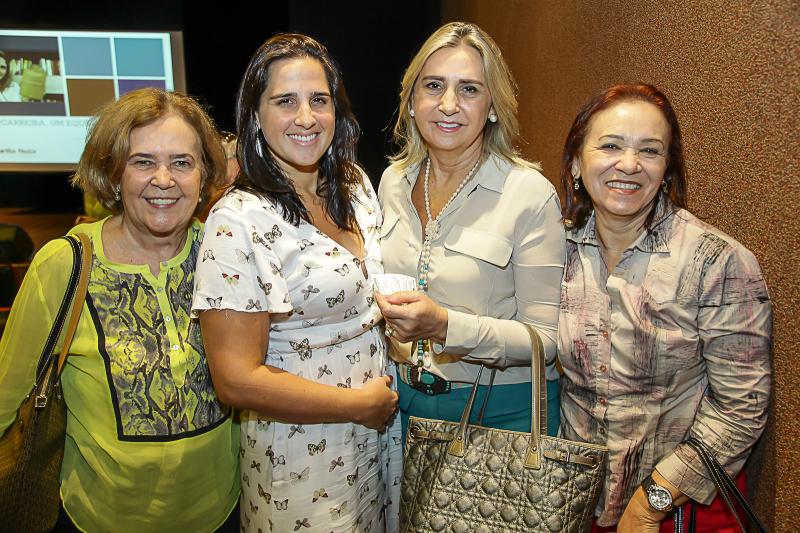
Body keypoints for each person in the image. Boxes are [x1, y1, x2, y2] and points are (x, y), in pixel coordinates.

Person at [0, 87, 239, 531]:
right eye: (143, 162)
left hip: (222, 515)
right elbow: (5, 396)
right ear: (113, 172)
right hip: (98, 519)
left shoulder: (226, 253)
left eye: (182, 163)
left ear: (204, 173)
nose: (163, 180)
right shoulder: (65, 264)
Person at [192, 34, 400, 533]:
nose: (306, 117)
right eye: (285, 101)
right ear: (255, 116)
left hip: (377, 438)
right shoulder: (237, 220)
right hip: (302, 458)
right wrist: (357, 405)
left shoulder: (354, 184)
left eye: (319, 100)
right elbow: (235, 379)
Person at [557, 83, 772, 532]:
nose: (629, 164)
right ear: (576, 162)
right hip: (577, 506)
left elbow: (742, 408)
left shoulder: (716, 261)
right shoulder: (555, 252)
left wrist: (650, 503)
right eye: (610, 146)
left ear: (666, 169)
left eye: (649, 150)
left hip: (678, 511)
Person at [375, 21, 565, 441]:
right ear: (411, 102)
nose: (448, 104)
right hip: (406, 409)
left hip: (503, 416)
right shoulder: (393, 182)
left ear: (492, 106)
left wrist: (444, 325)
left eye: (469, 89)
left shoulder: (528, 194)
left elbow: (545, 340)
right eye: (433, 86)